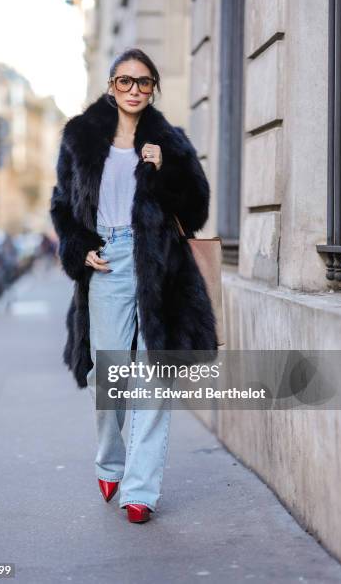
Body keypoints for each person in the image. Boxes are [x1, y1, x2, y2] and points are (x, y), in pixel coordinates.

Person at [50, 48, 218, 524]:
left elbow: (197, 208)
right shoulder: (80, 138)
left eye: (144, 83)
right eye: (125, 82)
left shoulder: (171, 142)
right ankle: (109, 460)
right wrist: (78, 247)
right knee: (109, 377)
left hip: (159, 263)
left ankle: (140, 491)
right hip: (106, 261)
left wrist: (168, 169)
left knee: (152, 376)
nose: (135, 90)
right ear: (111, 85)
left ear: (153, 89)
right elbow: (62, 205)